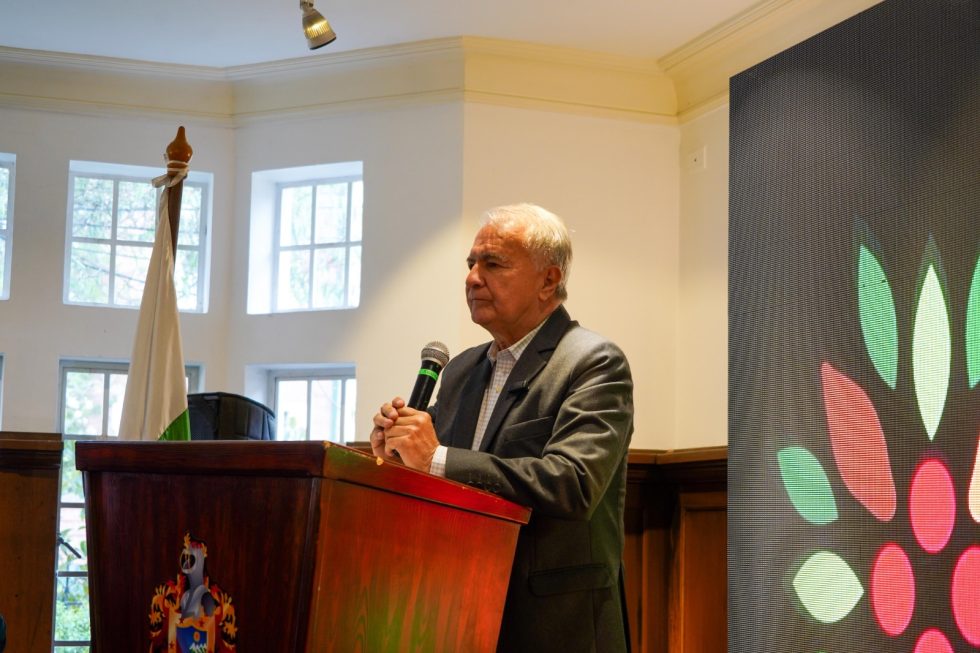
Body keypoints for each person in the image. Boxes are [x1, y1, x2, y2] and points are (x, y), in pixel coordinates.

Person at [371, 203, 634, 652]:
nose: (473, 278)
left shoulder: (593, 363)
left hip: (553, 623)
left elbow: (573, 483)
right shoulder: (460, 370)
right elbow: (436, 474)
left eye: (493, 264)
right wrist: (397, 449)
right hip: (458, 608)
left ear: (548, 280)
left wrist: (433, 457)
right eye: (471, 263)